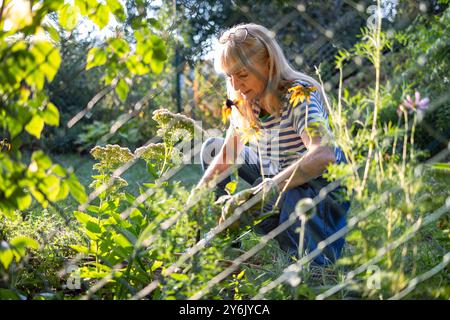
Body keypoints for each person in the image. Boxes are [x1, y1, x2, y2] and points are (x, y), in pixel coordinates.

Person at [191, 23, 351, 266]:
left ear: (269, 63)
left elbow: (324, 154)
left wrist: (263, 192)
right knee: (212, 146)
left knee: (305, 264)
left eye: (242, 74)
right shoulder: (245, 100)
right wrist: (198, 194)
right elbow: (227, 154)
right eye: (229, 76)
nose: (235, 85)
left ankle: (315, 254)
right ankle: (225, 243)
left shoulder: (299, 95)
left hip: (318, 189)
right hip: (278, 177)